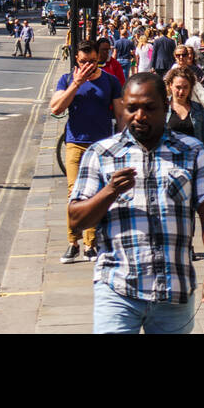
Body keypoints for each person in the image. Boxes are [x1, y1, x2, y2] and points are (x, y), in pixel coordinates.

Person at [68, 72, 204, 333]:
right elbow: (76, 219)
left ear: (165, 107)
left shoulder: (193, 151)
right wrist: (109, 192)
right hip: (117, 288)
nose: (139, 116)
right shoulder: (101, 154)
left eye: (149, 108)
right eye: (132, 108)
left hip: (174, 291)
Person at [49, 42, 123, 263]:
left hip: (101, 146)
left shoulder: (110, 81)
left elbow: (120, 115)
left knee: (96, 194)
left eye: (92, 61)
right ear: (76, 61)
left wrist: (123, 140)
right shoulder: (66, 80)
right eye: (83, 62)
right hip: (75, 143)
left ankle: (91, 245)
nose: (88, 65)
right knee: (74, 193)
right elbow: (56, 108)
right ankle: (73, 243)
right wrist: (76, 84)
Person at [164, 65, 204, 168]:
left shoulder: (197, 109)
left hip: (194, 162)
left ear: (191, 87)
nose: (181, 92)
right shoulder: (162, 109)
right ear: (170, 85)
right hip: (169, 163)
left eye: (185, 87)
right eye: (178, 87)